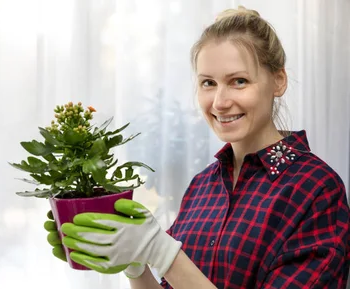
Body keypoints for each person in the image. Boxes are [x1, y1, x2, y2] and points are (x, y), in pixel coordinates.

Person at [44, 6, 350, 289]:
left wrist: (162, 252)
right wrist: (137, 265)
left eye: (239, 81)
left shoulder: (317, 189)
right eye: (208, 83)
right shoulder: (202, 187)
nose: (219, 102)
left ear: (278, 80)